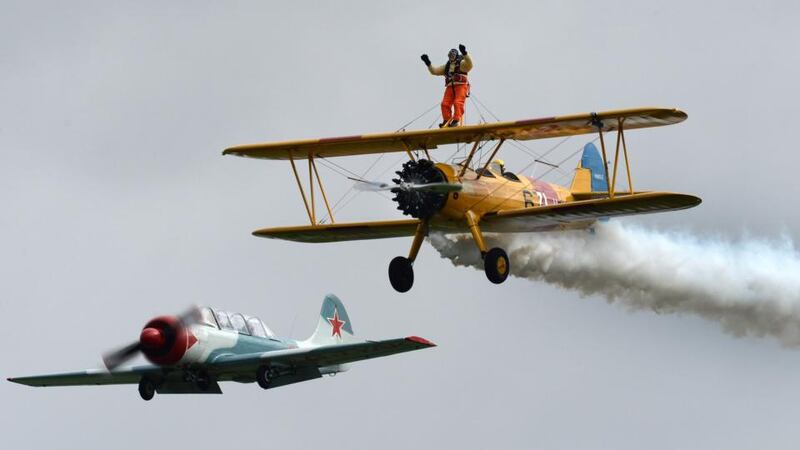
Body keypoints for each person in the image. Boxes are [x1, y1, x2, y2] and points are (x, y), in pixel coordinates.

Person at [421, 44, 473, 127]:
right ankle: (447, 119)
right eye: (450, 55)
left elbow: (469, 65)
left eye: (452, 55)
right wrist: (428, 63)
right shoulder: (447, 66)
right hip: (450, 87)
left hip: (461, 86)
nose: (451, 57)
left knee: (458, 102)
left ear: (456, 56)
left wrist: (465, 53)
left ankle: (456, 120)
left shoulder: (462, 64)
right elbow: (434, 71)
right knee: (444, 104)